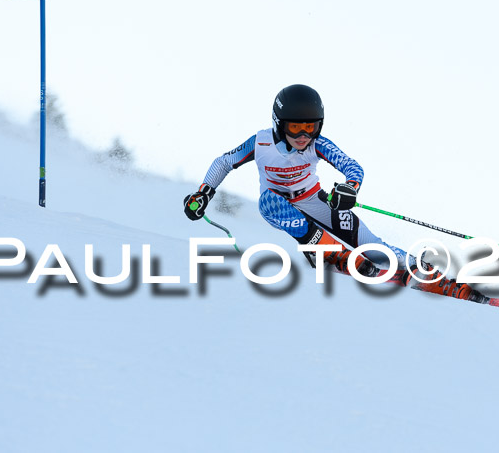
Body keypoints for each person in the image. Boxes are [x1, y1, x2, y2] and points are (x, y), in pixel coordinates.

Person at [184, 84, 483, 301]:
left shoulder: (318, 144)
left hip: (315, 201)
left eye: (310, 127)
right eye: (296, 127)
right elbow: (224, 161)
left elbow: (353, 167)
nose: (303, 136)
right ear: (279, 124)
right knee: (268, 201)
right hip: (280, 207)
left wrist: (348, 190)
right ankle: (332, 253)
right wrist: (203, 193)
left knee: (379, 249)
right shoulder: (260, 143)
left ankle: (446, 285)